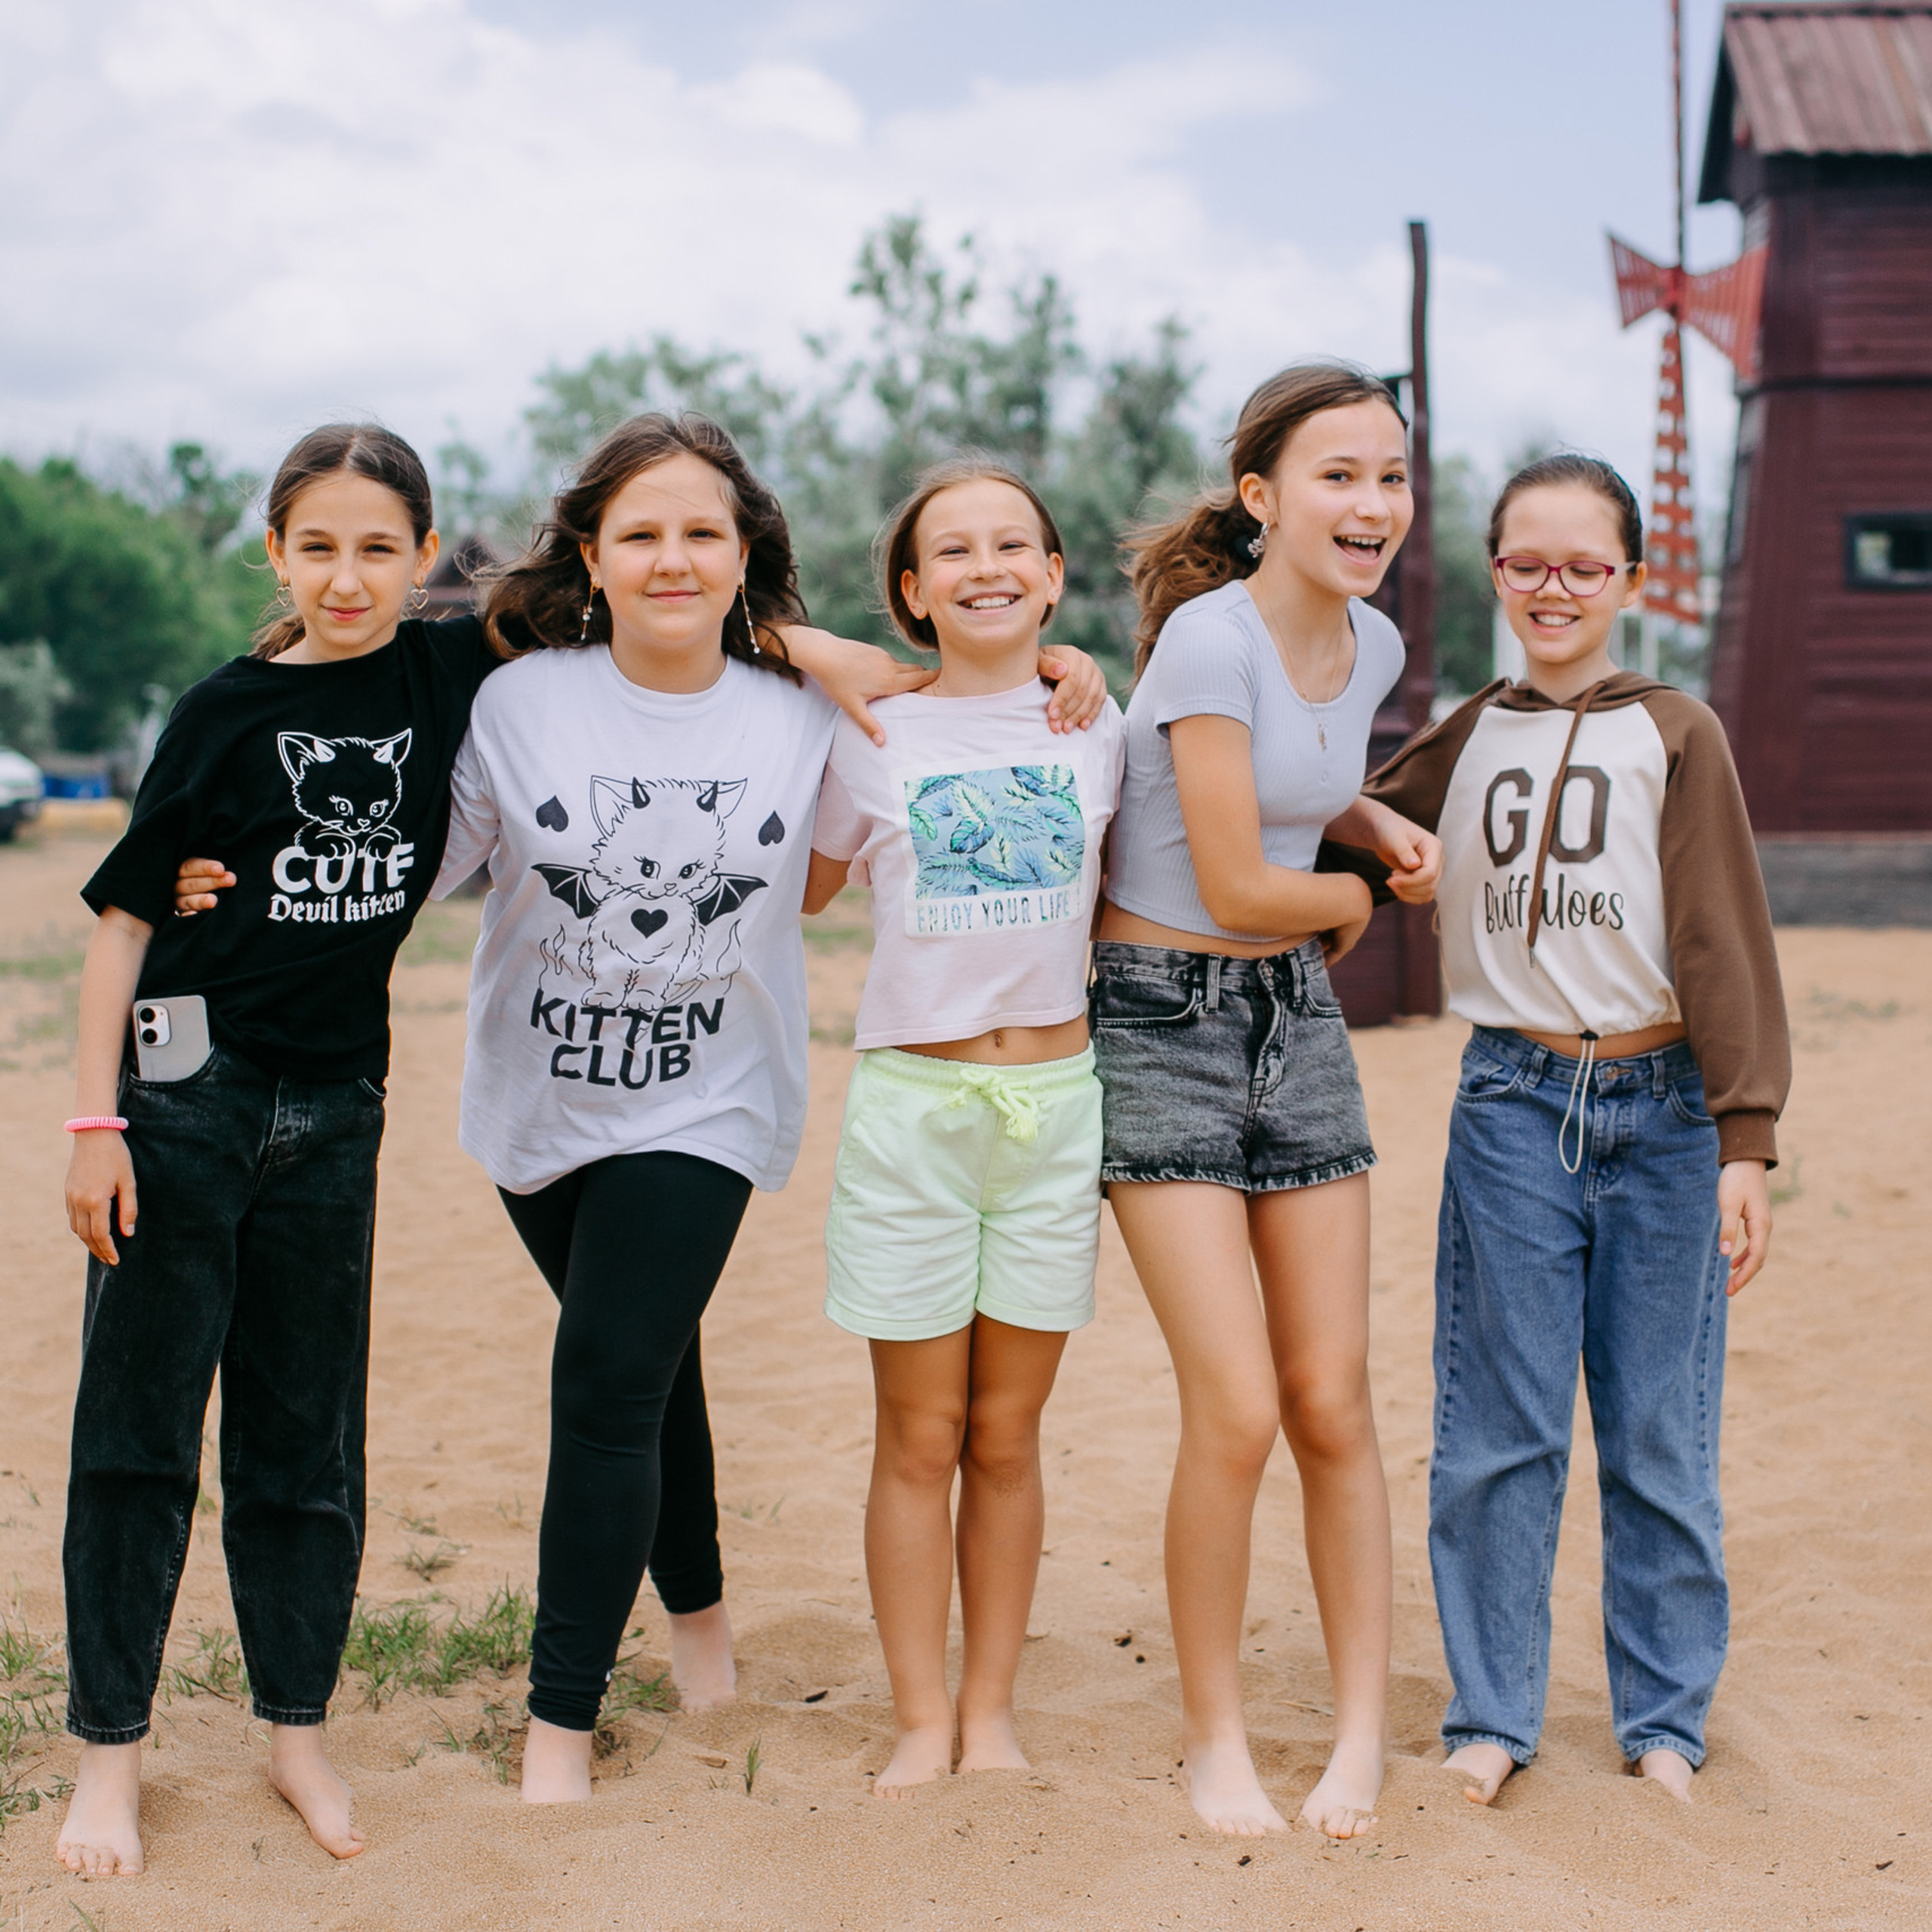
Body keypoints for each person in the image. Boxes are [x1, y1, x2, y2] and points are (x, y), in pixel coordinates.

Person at [426, 417, 1108, 1805]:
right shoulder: (519, 703)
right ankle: (704, 1624)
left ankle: (560, 1724)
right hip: (535, 1096)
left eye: (703, 531)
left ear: (747, 557)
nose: (672, 555)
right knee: (644, 1359)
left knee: (605, 1377)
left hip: (713, 1099)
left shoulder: (813, 712)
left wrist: (1000, 658)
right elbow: (429, 867)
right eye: (641, 533)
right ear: (594, 557)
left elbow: (930, 728)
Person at [55, 425, 489, 1874]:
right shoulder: (224, 710)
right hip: (186, 1098)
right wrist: (93, 1124)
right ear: (275, 554)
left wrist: (856, 657)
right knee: (139, 1437)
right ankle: (108, 1761)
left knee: (306, 1440)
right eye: (318, 547)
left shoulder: (447, 671)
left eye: (379, 548)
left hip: (338, 1110)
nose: (348, 577)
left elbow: (638, 574)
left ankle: (296, 1737)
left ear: (425, 559)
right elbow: (123, 917)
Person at [1329, 454, 1787, 1804]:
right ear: (1495, 570)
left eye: (1586, 567)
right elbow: (1323, 818)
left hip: (1666, 1115)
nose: (1554, 589)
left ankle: (1663, 1723)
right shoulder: (1473, 734)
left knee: (1659, 1429)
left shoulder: (1677, 728)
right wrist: (1375, 846)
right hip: (1513, 1104)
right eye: (1527, 563)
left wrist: (1746, 1139)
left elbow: (1720, 938)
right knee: (1498, 1426)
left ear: (1630, 582)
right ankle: (1492, 1715)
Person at [1092, 363, 1442, 1840]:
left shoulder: (1371, 643)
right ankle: (1212, 1737)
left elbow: (1294, 777)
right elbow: (1236, 881)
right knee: (1234, 1406)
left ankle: (1356, 1736)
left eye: (1388, 477)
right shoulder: (1202, 638)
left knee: (1332, 1400)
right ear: (1260, 498)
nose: (1369, 505)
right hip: (1161, 1017)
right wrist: (1353, 898)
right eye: (1335, 476)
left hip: (1290, 1025)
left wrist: (1364, 812)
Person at [804, 459, 1125, 1795]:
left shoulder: (1104, 725)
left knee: (1007, 1436)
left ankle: (991, 1713)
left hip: (1055, 1112)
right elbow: (805, 892)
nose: (985, 566)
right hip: (914, 1114)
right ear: (911, 590)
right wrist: (808, 658)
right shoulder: (865, 733)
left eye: (1015, 546)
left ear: (1053, 577)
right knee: (919, 1436)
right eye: (954, 550)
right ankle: (919, 1717)